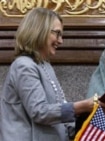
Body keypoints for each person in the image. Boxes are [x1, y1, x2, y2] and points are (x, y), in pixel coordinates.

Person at [0, 8, 97, 141]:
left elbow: (58, 107)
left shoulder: (44, 65)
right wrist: (80, 107)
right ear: (39, 31)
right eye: (57, 34)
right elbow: (39, 112)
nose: (60, 41)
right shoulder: (24, 65)